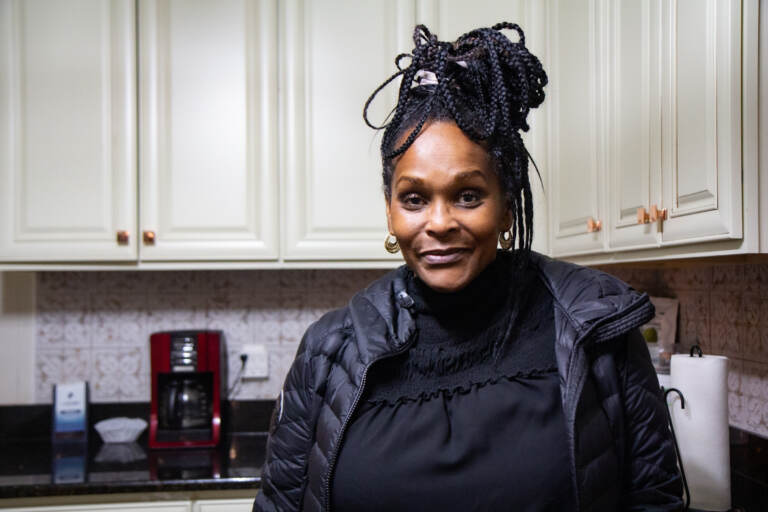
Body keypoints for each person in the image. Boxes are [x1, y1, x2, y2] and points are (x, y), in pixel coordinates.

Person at [253, 23, 682, 512]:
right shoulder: (329, 351)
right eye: (414, 198)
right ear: (390, 211)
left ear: (506, 207)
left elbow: (655, 501)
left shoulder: (596, 328)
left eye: (468, 195)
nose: (439, 223)